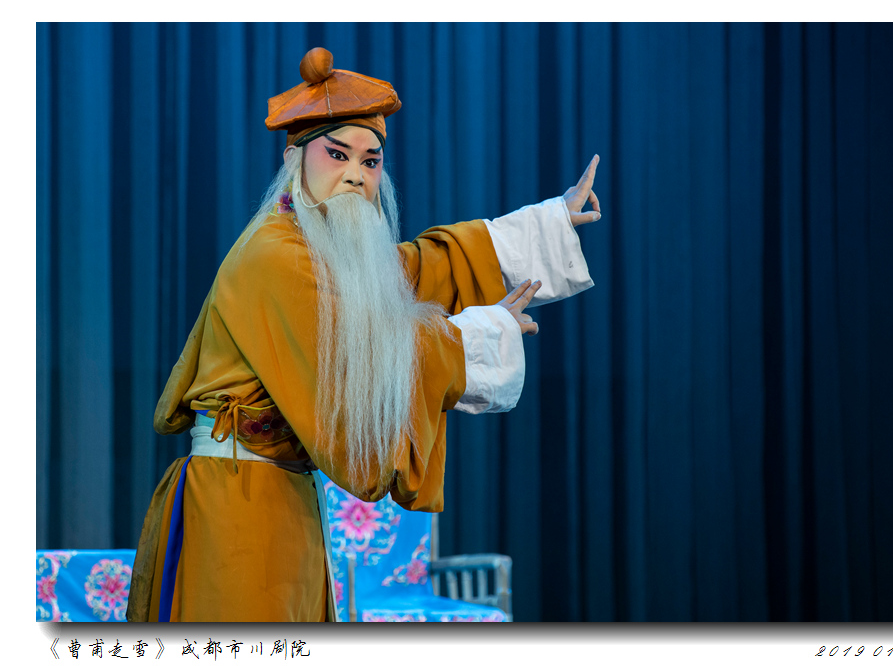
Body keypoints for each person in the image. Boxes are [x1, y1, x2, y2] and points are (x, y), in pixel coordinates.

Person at [127, 47, 600, 622]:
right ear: (295, 159)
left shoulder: (317, 249)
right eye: (337, 154)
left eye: (370, 161)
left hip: (284, 497)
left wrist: (547, 225)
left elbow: (419, 269)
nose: (355, 173)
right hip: (239, 501)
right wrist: (477, 336)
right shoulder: (276, 255)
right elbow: (361, 348)